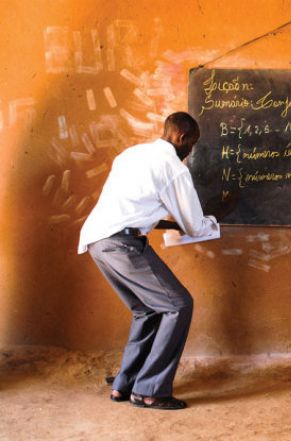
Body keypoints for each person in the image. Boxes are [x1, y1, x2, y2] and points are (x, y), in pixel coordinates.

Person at [78, 112, 216, 410]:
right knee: (178, 305)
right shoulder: (173, 168)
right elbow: (194, 226)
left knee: (147, 310)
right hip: (124, 245)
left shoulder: (131, 155)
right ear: (182, 138)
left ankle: (123, 385)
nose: (191, 151)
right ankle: (150, 391)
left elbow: (136, 211)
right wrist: (216, 218)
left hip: (97, 241)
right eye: (192, 144)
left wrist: (173, 223)